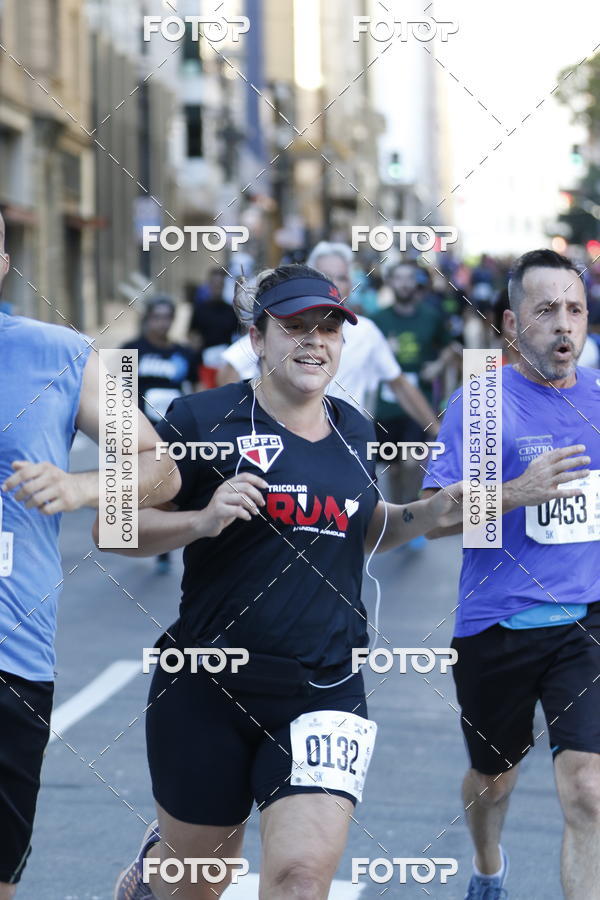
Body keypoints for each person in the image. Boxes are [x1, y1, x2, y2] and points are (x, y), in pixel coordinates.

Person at [97, 264, 464, 900]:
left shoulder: (355, 430)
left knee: (299, 878)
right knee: (196, 885)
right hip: (206, 685)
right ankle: (157, 872)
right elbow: (114, 526)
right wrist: (202, 520)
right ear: (257, 338)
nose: (313, 341)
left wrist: (428, 513)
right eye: (294, 327)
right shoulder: (203, 419)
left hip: (323, 688)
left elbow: (365, 525)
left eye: (328, 328)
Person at [0, 212, 179, 898]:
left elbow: (160, 468)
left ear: (5, 261)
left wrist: (81, 485)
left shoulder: (62, 353)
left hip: (10, 659)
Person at [422, 249, 600, 899]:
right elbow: (433, 517)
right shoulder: (483, 404)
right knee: (494, 779)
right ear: (509, 323)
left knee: (589, 789)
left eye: (575, 310)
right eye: (546, 309)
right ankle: (488, 866)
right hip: (496, 624)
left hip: (586, 621)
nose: (564, 325)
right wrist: (514, 491)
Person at [217, 242, 439, 436]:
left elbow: (399, 384)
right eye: (324, 276)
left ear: (351, 285)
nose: (332, 285)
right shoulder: (282, 329)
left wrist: (438, 432)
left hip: (345, 441)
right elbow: (230, 368)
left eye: (341, 277)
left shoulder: (366, 331)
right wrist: (244, 425)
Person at [122, 296, 198, 574]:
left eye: (168, 317)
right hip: (142, 431)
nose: (162, 323)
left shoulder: (184, 353)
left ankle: (163, 546)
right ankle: (132, 530)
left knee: (166, 487)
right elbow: (120, 394)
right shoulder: (131, 350)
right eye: (157, 316)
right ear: (147, 318)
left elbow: (196, 389)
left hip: (173, 433)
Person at [374, 260, 459, 505]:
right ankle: (398, 511)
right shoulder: (378, 319)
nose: (404, 284)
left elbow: (449, 348)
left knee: (413, 460)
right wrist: (384, 352)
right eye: (398, 278)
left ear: (416, 282)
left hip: (418, 402)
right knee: (394, 466)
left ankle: (412, 505)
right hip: (386, 405)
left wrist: (437, 366)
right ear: (390, 282)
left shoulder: (431, 316)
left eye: (409, 278)